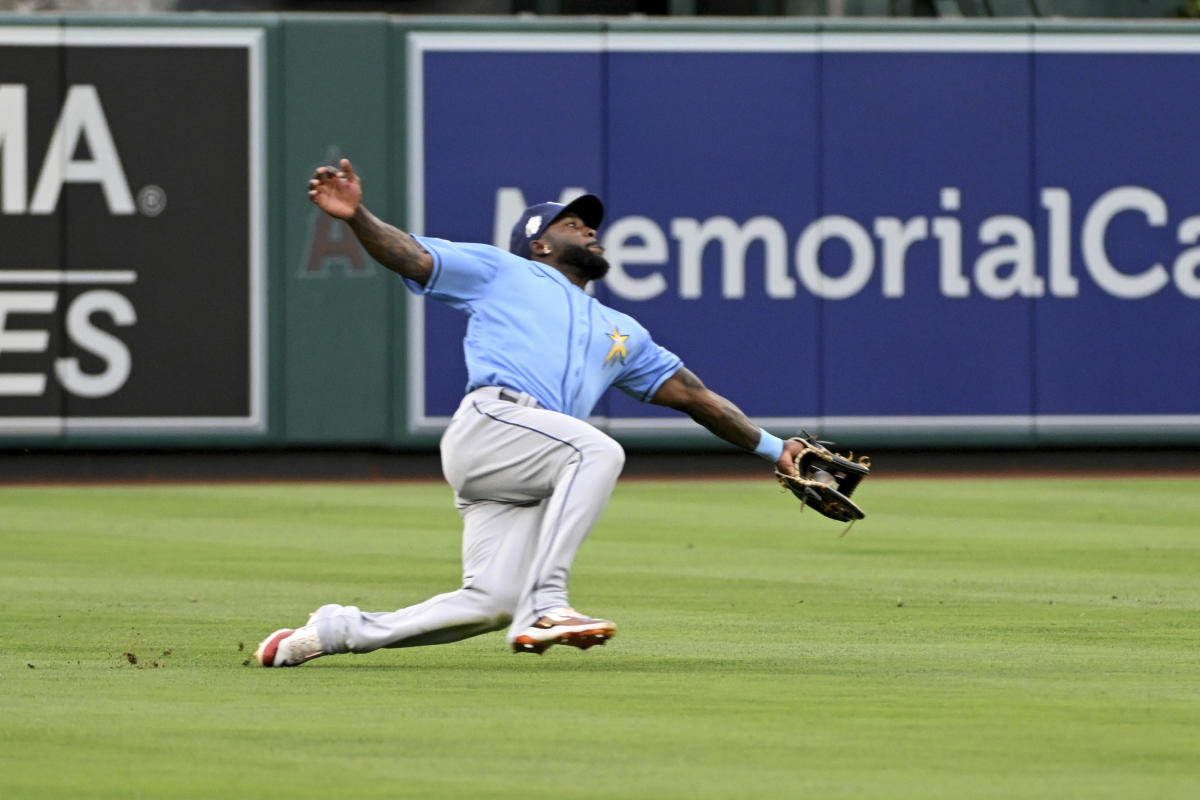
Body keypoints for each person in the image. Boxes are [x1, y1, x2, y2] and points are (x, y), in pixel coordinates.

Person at [254, 159, 806, 666]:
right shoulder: (503, 271)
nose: (589, 228)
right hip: (494, 423)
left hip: (528, 463)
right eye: (571, 224)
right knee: (597, 448)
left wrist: (774, 448)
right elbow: (415, 257)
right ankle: (547, 604)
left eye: (589, 224)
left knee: (489, 603)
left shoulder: (624, 333)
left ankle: (332, 632)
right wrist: (357, 217)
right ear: (538, 245)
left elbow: (697, 398)